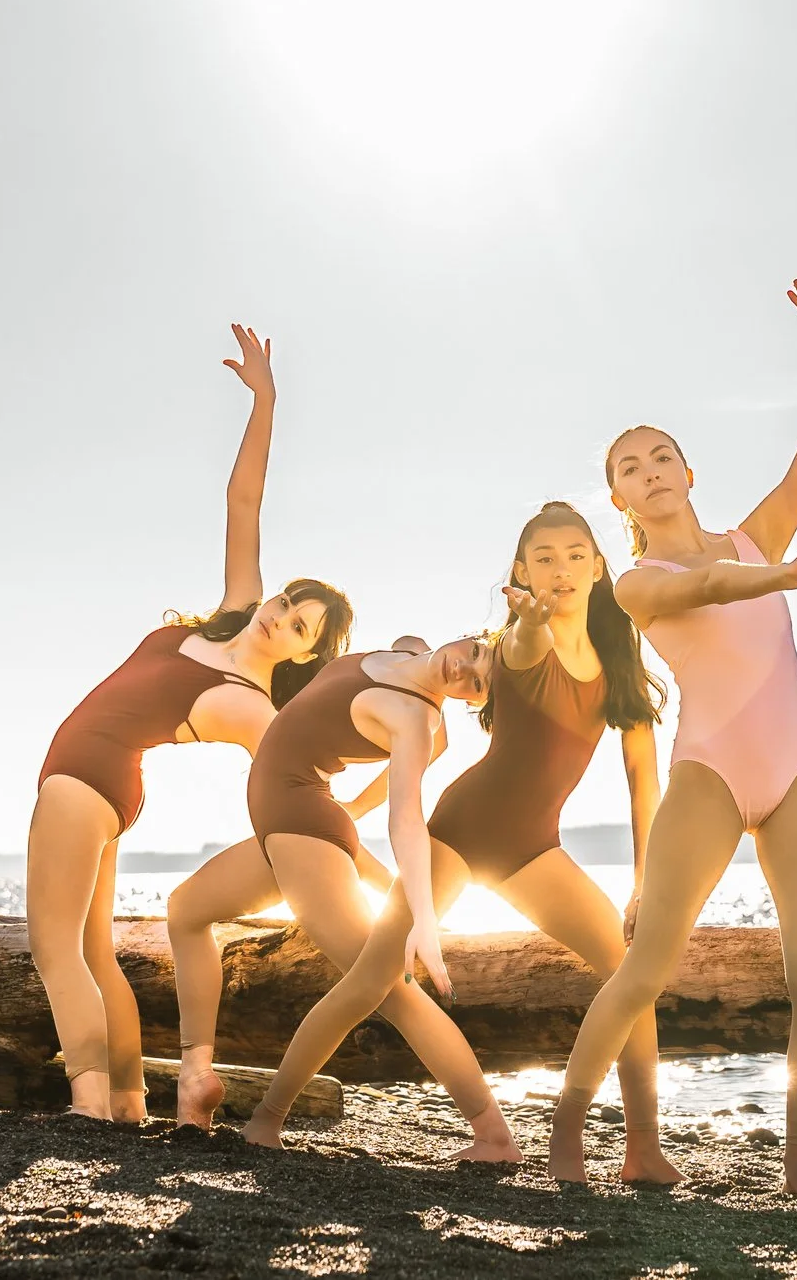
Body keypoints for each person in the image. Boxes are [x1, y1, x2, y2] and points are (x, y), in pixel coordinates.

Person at [548, 280, 797, 1194]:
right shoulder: (637, 583)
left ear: (688, 472)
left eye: (662, 456)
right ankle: (570, 1135)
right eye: (628, 465)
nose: (649, 469)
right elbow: (708, 591)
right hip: (712, 774)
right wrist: (788, 576)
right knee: (648, 963)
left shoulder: (755, 534)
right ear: (618, 497)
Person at [240, 503, 679, 1183]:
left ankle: (641, 1147)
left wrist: (646, 882)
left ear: (598, 565)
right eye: (543, 557)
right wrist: (528, 621)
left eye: (573, 554)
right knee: (371, 978)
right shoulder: (514, 644)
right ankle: (268, 1116)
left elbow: (643, 784)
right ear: (522, 572)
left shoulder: (619, 661)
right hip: (462, 831)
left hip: (535, 846)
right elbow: (526, 644)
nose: (559, 568)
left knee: (630, 968)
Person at [26, 324, 353, 1123]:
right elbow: (243, 497)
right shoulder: (237, 608)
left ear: (306, 652)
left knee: (54, 948)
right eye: (288, 603)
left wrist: (334, 847)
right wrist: (266, 402)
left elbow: (292, 775)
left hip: (82, 780)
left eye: (301, 627)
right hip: (110, 786)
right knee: (96, 951)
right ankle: (133, 1103)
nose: (281, 618)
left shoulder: (248, 698)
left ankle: (87, 1103)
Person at [168, 637, 521, 1158]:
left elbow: (406, 818)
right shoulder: (409, 651)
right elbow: (439, 738)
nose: (463, 668)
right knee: (185, 910)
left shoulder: (414, 720)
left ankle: (493, 1134)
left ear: (474, 703)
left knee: (388, 988)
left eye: (477, 683)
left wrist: (423, 915)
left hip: (303, 827)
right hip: (289, 824)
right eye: (473, 652)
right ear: (466, 636)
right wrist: (354, 803)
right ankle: (196, 1075)